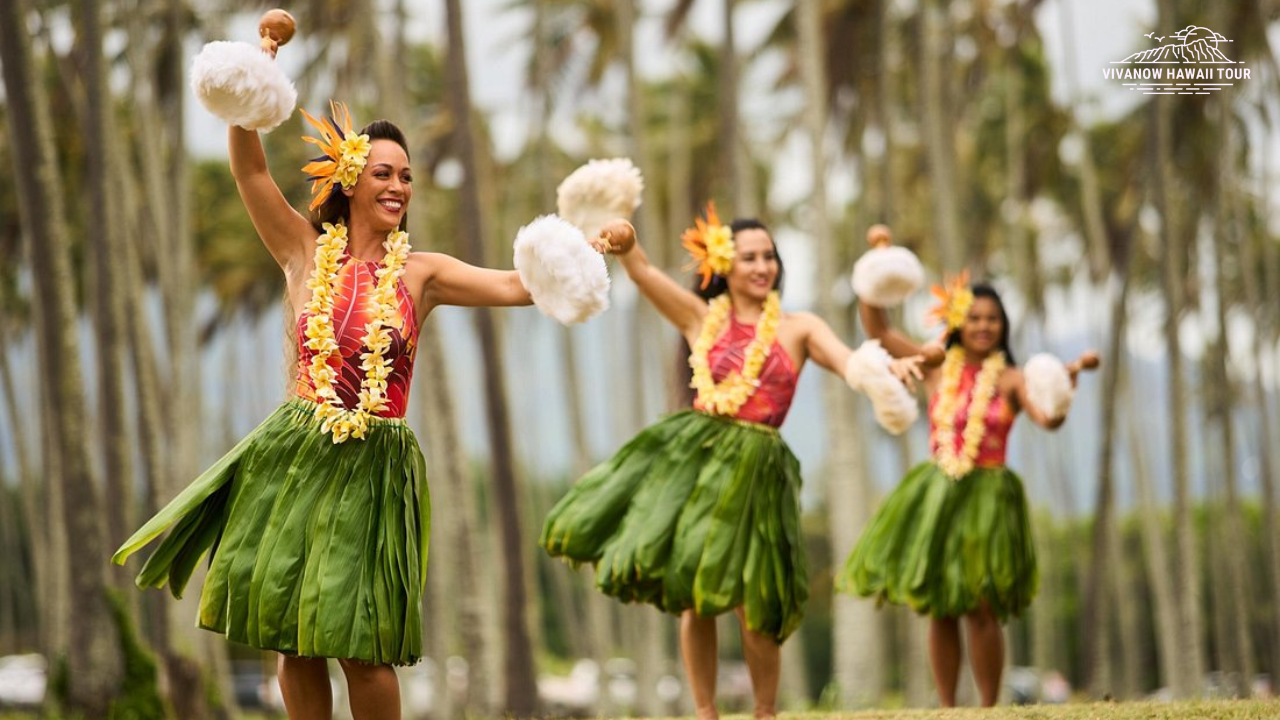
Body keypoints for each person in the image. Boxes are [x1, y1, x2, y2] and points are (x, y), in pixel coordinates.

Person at [112, 98, 613, 720]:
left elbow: (517, 285)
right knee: (295, 636)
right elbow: (251, 173)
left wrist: (587, 251)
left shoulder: (423, 274)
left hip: (374, 466)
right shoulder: (302, 251)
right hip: (296, 458)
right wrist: (253, 78)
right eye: (384, 173)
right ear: (350, 180)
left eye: (406, 176)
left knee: (362, 644)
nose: (399, 186)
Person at [541, 205, 923, 719]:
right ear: (725, 265)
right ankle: (705, 712)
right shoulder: (700, 318)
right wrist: (628, 242)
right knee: (695, 595)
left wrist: (885, 368)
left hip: (761, 470)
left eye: (770, 256)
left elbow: (850, 361)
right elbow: (646, 274)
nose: (763, 266)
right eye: (750, 257)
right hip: (698, 464)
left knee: (756, 602)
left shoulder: (799, 326)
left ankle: (765, 712)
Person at [837, 225, 1098, 707]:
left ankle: (989, 707)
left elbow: (1047, 419)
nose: (983, 326)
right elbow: (877, 330)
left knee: (980, 605)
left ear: (1004, 325)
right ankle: (949, 709)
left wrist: (1063, 395)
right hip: (940, 492)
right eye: (974, 317)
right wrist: (878, 266)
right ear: (958, 322)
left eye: (992, 319)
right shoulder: (936, 365)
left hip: (989, 497)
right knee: (940, 605)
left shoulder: (1015, 378)